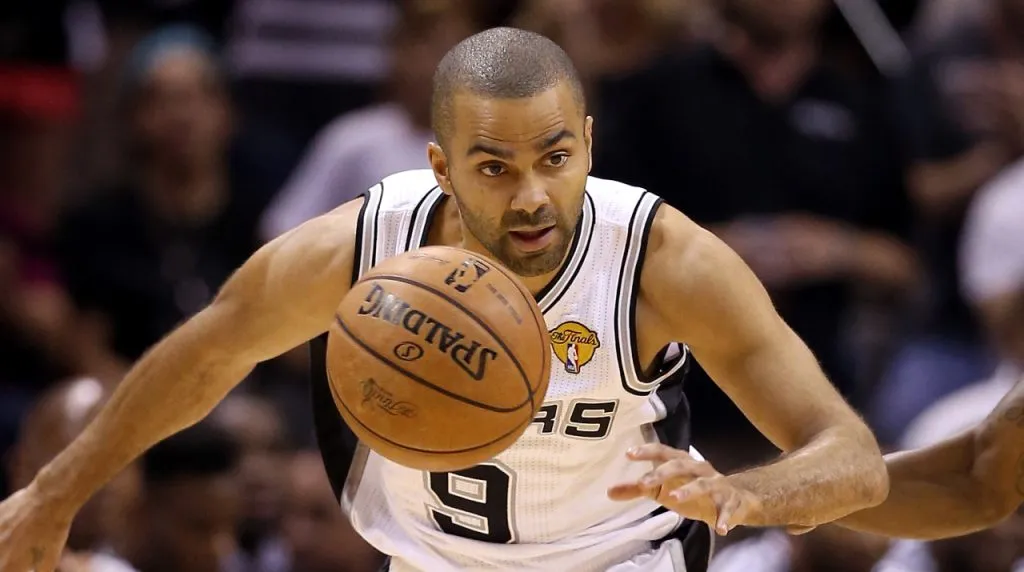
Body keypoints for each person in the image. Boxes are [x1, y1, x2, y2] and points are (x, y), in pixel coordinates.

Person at [0, 27, 888, 572]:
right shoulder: (367, 243)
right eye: (495, 168)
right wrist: (53, 494)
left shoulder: (660, 261)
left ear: (588, 141)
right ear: (441, 167)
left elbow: (853, 457)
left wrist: (741, 495)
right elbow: (207, 354)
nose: (532, 194)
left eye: (554, 157)